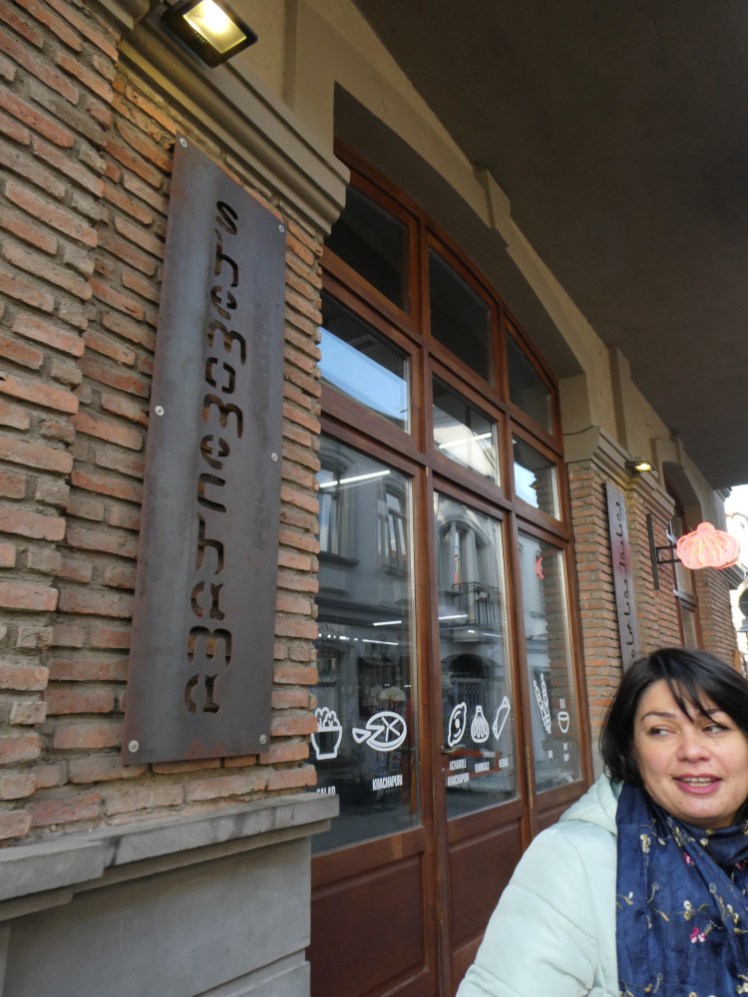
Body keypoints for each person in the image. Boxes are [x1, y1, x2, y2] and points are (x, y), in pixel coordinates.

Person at [456, 647, 748, 996]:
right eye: (661, 731)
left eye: (714, 727)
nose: (692, 750)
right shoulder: (572, 859)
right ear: (632, 750)